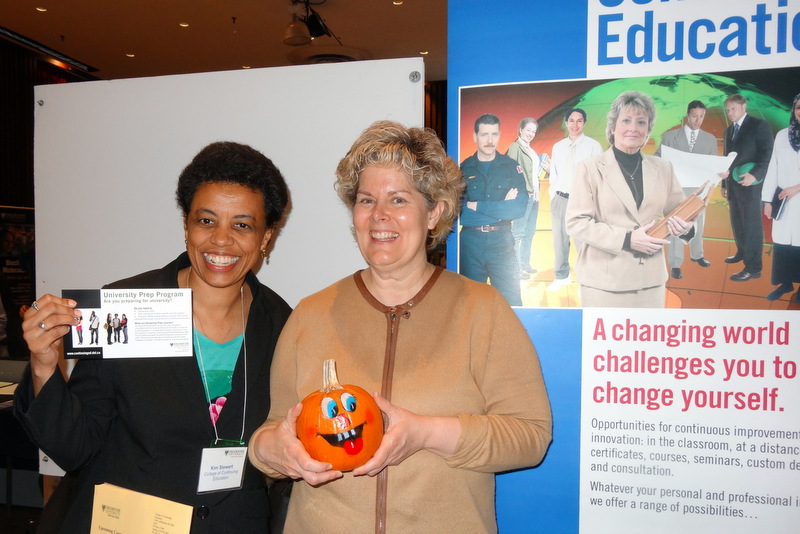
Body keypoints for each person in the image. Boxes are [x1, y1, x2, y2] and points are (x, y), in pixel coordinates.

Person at [249, 121, 552, 533]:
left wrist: (427, 433)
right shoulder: (310, 314)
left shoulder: (483, 310)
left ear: (434, 212)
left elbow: (530, 436)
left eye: (398, 199)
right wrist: (272, 451)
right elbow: (270, 432)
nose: (379, 216)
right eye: (366, 200)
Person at [15, 141, 292, 533]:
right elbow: (76, 448)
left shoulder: (282, 324)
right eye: (206, 220)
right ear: (186, 226)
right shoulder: (124, 309)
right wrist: (45, 366)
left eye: (242, 225)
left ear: (265, 237)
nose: (221, 240)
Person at [566, 91, 694, 308]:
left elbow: (680, 214)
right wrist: (627, 239)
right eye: (626, 120)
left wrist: (686, 228)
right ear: (612, 127)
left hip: (651, 283)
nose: (633, 128)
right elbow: (576, 223)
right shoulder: (588, 168)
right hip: (603, 284)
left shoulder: (663, 168)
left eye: (641, 122)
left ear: (648, 130)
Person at [459, 113, 528, 306]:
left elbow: (518, 208)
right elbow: (462, 215)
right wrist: (501, 209)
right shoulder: (463, 169)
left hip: (502, 244)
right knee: (470, 305)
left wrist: (477, 206)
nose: (490, 141)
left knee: (512, 304)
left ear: (499, 135)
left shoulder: (511, 167)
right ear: (475, 136)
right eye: (484, 134)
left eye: (494, 134)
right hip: (471, 245)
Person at [655, 100, 718, 279]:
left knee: (699, 223)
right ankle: (675, 264)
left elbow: (713, 164)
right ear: (687, 115)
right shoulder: (670, 137)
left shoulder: (710, 139)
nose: (698, 120)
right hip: (676, 188)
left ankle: (697, 255)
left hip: (700, 188)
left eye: (701, 117)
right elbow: (657, 157)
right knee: (677, 224)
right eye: (694, 116)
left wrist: (720, 172)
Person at [547, 108, 603, 291]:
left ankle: (587, 281)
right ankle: (561, 276)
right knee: (559, 242)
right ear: (566, 123)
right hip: (560, 199)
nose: (575, 125)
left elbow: (599, 177)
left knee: (584, 243)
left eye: (579, 121)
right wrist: (554, 196)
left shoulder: (593, 146)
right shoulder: (558, 147)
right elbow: (554, 175)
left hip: (582, 201)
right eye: (571, 120)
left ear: (584, 123)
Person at [721, 93, 774, 281]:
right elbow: (727, 159)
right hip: (733, 185)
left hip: (751, 185)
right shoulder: (728, 131)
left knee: (751, 226)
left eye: (733, 108)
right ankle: (742, 252)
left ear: (743, 106)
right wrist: (724, 183)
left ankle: (753, 268)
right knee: (737, 222)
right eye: (727, 110)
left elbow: (768, 154)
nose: (730, 113)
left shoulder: (759, 125)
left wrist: (755, 175)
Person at [761, 92, 800, 302]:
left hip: (797, 195)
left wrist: (796, 188)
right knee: (783, 243)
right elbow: (773, 168)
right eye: (798, 107)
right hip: (783, 200)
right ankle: (785, 283)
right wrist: (767, 201)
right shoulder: (783, 135)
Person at [506, 118, 546, 279]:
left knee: (530, 232)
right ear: (521, 129)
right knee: (518, 234)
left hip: (534, 196)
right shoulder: (515, 147)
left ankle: (525, 264)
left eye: (533, 131)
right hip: (524, 196)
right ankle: (516, 269)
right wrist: (521, 191)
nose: (531, 134)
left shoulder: (530, 149)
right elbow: (510, 171)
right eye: (528, 130)